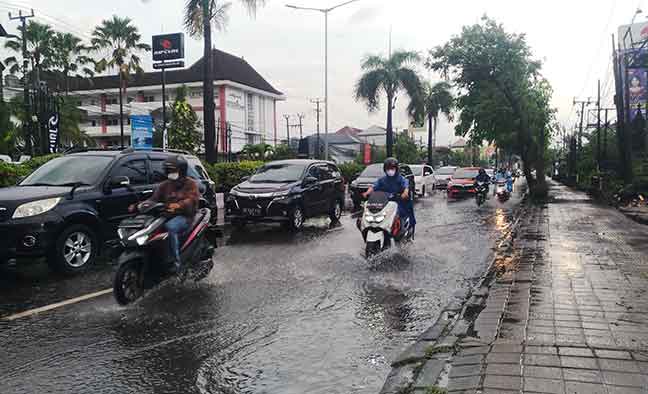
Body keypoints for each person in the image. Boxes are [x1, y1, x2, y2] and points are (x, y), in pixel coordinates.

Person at [130, 155, 200, 273]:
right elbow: (154, 199)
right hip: (166, 215)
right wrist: (140, 205)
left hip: (185, 216)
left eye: (173, 170)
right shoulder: (165, 185)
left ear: (181, 171)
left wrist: (179, 205)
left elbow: (192, 199)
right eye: (168, 170)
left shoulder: (190, 184)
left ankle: (176, 261)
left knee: (171, 227)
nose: (170, 173)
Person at [362, 157, 416, 237]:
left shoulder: (401, 179)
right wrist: (367, 193)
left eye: (392, 168)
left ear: (396, 169)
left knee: (406, 211)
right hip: (386, 202)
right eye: (388, 168)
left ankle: (407, 229)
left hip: (400, 201)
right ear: (385, 169)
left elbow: (406, 186)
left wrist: (405, 192)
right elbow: (374, 187)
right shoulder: (382, 180)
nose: (390, 170)